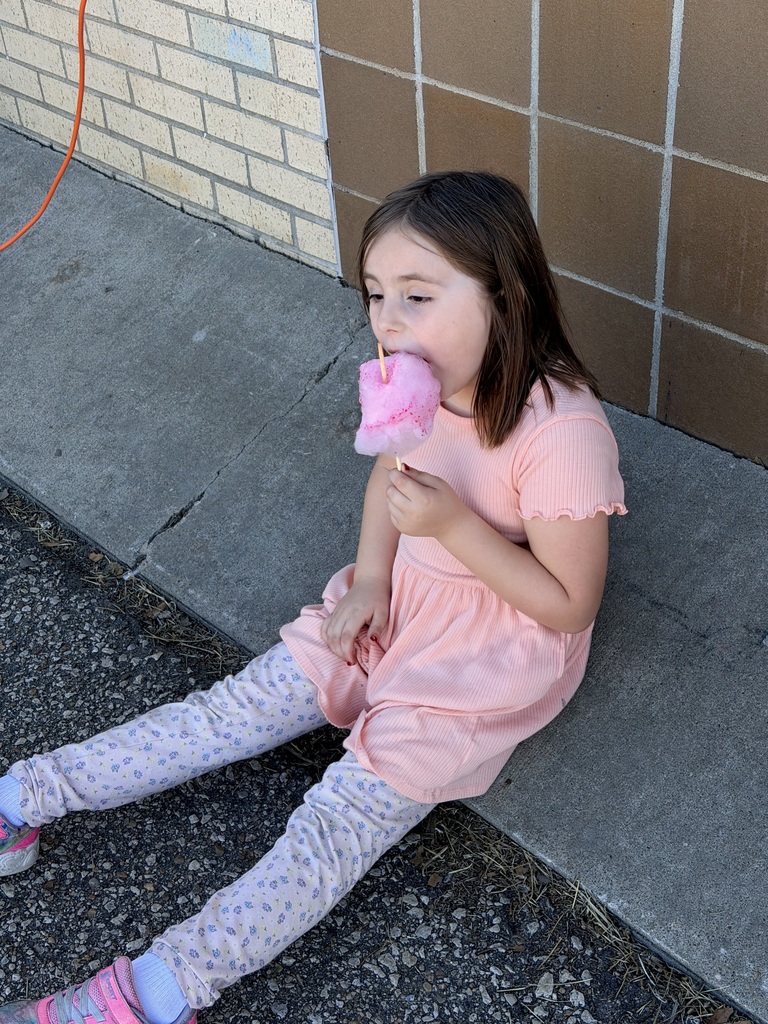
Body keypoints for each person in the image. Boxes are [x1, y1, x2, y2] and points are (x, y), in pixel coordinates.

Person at [0, 171, 626, 1024]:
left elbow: (568, 604)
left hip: (481, 662)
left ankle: (161, 990)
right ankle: (23, 796)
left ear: (505, 294)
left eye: (417, 295)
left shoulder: (563, 434)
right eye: (375, 296)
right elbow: (389, 478)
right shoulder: (422, 384)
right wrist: (372, 577)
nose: (388, 322)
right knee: (224, 715)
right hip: (398, 597)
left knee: (334, 821)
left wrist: (452, 527)